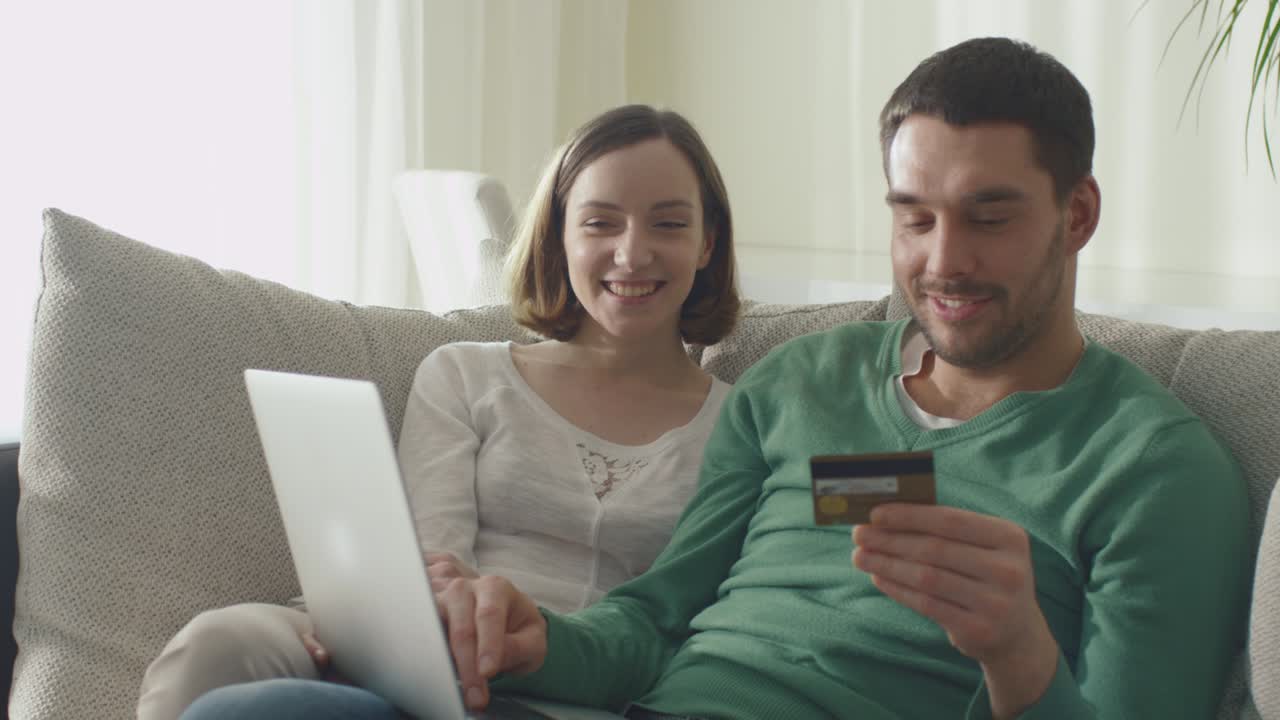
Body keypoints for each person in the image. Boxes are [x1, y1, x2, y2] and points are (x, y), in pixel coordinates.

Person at [180, 37, 1252, 720]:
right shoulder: (801, 385)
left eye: (988, 215)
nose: (941, 260)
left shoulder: (1157, 473)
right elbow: (650, 626)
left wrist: (1017, 653)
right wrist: (537, 638)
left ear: (1075, 215)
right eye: (912, 217)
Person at [137, 103, 740, 720]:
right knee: (215, 648)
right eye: (600, 224)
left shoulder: (740, 425)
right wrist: (405, 626)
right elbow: (433, 558)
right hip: (422, 642)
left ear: (705, 243)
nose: (632, 254)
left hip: (572, 679)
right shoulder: (467, 374)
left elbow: (683, 615)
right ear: (560, 236)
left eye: (668, 225)